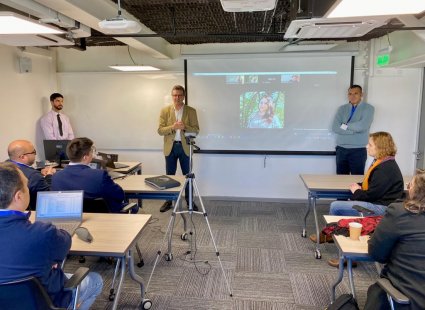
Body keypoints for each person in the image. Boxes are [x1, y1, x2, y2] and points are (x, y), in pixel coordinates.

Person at [0, 162, 103, 309]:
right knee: (95, 280)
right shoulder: (41, 233)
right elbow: (64, 243)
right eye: (26, 186)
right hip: (45, 301)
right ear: (18, 196)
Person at [364, 170, 425, 310]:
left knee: (377, 291)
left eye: (410, 185)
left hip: (410, 300)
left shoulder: (400, 213)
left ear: (415, 191)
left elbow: (376, 254)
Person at [51, 137, 138, 213]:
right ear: (85, 157)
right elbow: (119, 196)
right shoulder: (99, 175)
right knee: (138, 208)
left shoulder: (56, 177)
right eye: (91, 152)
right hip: (107, 218)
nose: (92, 154)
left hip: (73, 220)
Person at [328, 132, 404, 217]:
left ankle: (334, 229)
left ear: (380, 147)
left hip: (382, 207)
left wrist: (357, 191)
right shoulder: (384, 162)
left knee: (335, 206)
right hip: (380, 203)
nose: (367, 146)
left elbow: (371, 196)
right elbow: (374, 185)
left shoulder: (384, 168)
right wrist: (359, 185)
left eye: (370, 145)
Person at [158, 85, 200, 212]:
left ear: (184, 96)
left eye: (180, 95)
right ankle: (168, 201)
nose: (177, 97)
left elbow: (196, 130)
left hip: (185, 148)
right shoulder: (165, 111)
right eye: (175, 95)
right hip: (170, 148)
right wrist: (173, 127)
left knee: (187, 176)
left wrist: (184, 127)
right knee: (169, 176)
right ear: (172, 96)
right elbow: (160, 130)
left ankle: (189, 202)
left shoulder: (191, 111)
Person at [332, 85, 374, 175]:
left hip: (358, 150)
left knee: (357, 179)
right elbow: (335, 127)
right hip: (341, 150)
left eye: (356, 93)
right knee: (340, 179)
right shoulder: (342, 109)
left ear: (361, 94)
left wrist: (344, 125)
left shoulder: (369, 108)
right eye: (350, 94)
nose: (352, 96)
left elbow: (362, 126)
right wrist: (353, 131)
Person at [7, 139, 56, 210]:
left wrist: (39, 171)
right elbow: (48, 196)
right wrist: (49, 175)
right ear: (23, 157)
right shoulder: (34, 176)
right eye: (33, 152)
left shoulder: (4, 167)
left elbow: (25, 170)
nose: (35, 154)